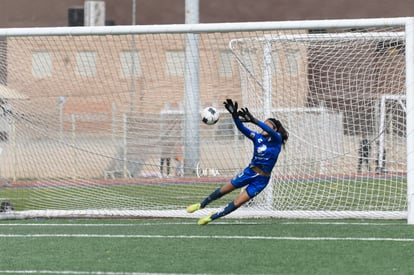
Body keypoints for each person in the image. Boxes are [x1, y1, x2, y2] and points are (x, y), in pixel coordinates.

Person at [186, 99, 289, 225]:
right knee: (224, 190)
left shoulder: (277, 140)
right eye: (265, 124)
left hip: (261, 180)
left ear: (275, 129)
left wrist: (255, 120)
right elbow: (242, 127)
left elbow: (272, 132)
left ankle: (211, 217)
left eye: (268, 125)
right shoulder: (258, 138)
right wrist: (234, 115)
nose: (265, 126)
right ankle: (201, 205)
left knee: (238, 202)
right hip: (249, 172)